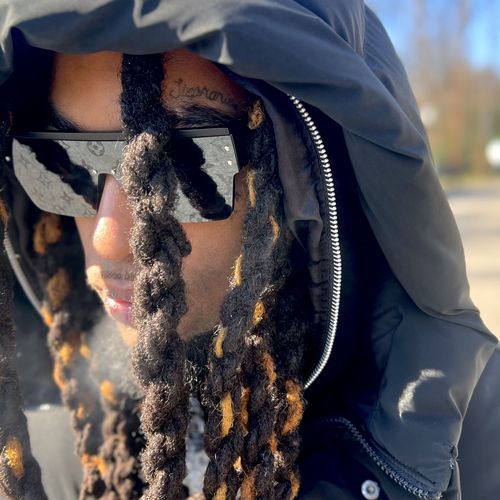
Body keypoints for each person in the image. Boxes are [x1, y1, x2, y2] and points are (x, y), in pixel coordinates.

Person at [0, 1, 499, 499]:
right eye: (60, 158)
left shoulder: (459, 436)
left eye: (184, 164)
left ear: (310, 181)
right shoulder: (46, 451)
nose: (108, 237)